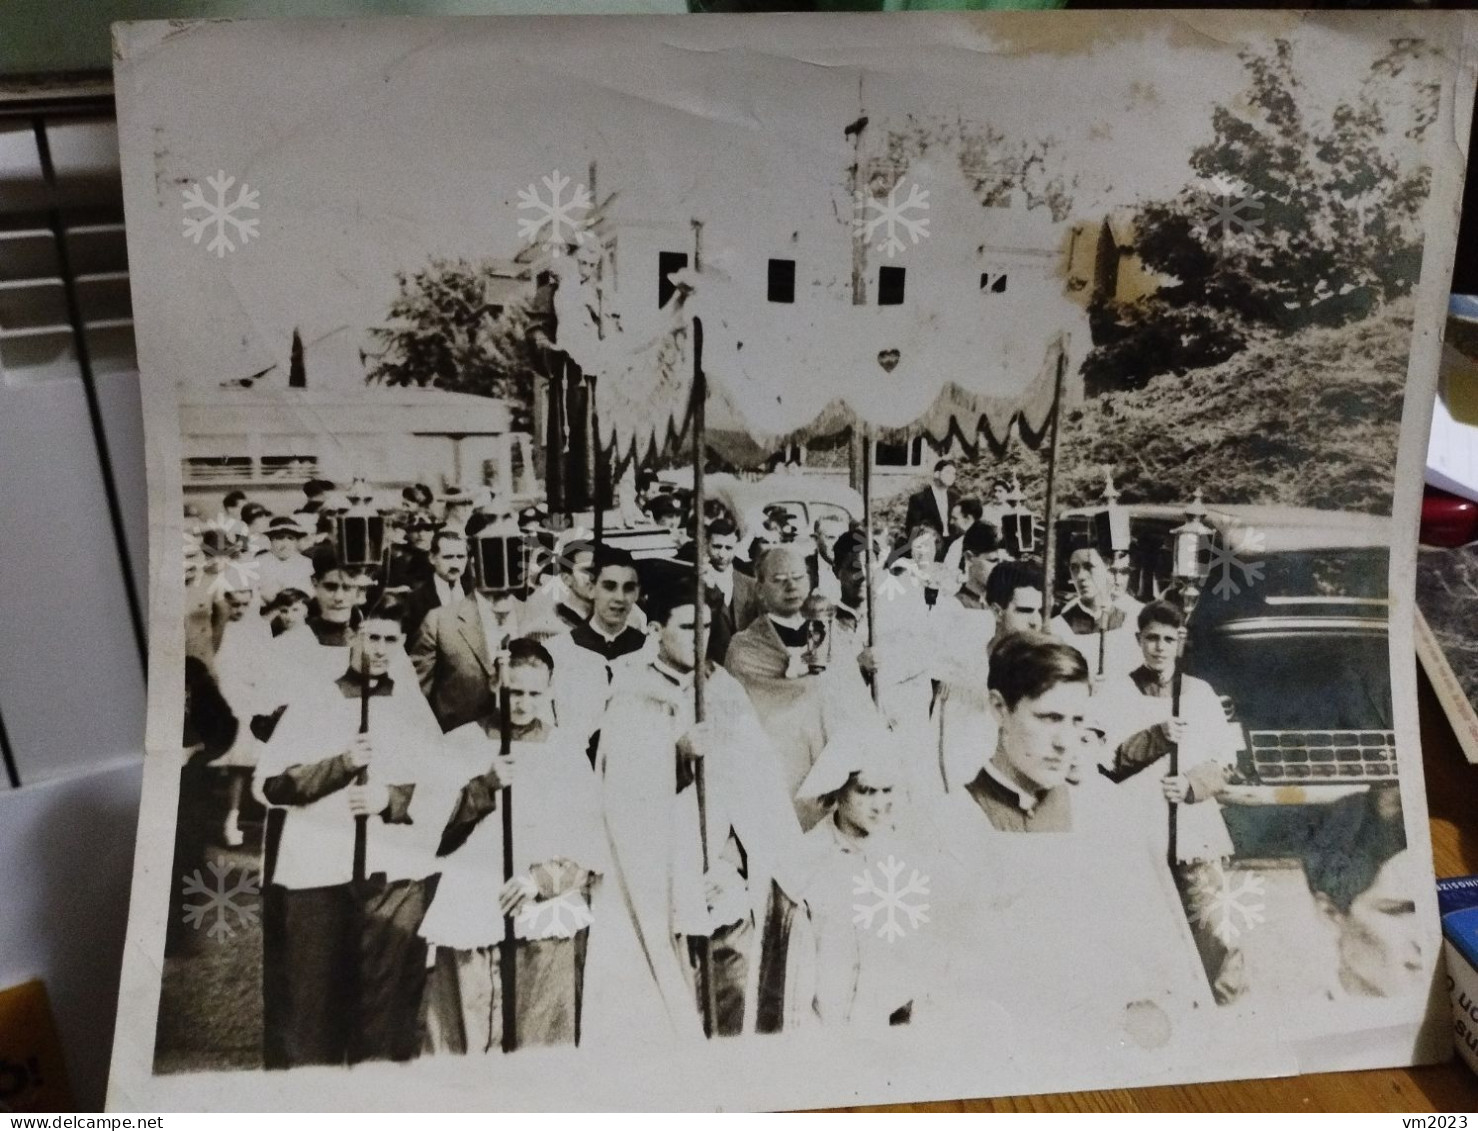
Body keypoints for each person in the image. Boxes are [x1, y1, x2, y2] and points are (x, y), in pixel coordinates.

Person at [585, 579, 805, 1042]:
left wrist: (730, 855)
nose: (698, 637)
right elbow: (621, 793)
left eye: (706, 626)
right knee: (672, 989)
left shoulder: (723, 689)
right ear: (657, 629)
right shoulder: (632, 687)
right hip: (659, 866)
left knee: (732, 978)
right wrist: (675, 754)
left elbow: (757, 784)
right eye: (687, 626)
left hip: (720, 863)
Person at [254, 596, 444, 1067]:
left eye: (391, 640)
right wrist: (341, 765)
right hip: (318, 872)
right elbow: (272, 785)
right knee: (312, 1002)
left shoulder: (411, 706)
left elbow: (441, 788)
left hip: (390, 871)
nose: (380, 649)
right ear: (355, 636)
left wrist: (390, 800)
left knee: (384, 1005)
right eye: (373, 637)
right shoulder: (315, 699)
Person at [419, 638, 605, 1053]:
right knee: (466, 1029)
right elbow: (433, 831)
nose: (522, 703)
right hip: (472, 896)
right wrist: (484, 785)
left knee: (539, 1033)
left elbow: (588, 839)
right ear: (496, 685)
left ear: (550, 691)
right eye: (513, 692)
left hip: (541, 899)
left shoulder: (566, 750)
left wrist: (540, 880)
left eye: (534, 694)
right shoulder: (462, 743)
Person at [1093, 600, 1246, 1004]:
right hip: (1137, 833)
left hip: (1193, 834)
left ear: (1180, 642)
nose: (1159, 648)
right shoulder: (1116, 693)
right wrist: (1156, 736)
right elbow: (1105, 765)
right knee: (1141, 932)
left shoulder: (1200, 693)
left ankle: (1229, 1010)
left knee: (1216, 928)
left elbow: (1226, 761)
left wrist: (1193, 785)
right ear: (1138, 641)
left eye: (1168, 639)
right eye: (1151, 639)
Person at [791, 732, 937, 1030]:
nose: (879, 805)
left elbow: (919, 964)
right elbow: (793, 977)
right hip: (823, 1033)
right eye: (866, 791)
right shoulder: (806, 860)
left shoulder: (906, 859)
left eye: (887, 791)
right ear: (838, 789)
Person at [725, 546, 877, 829]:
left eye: (797, 577)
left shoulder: (833, 637)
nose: (791, 586)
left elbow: (855, 703)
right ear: (759, 588)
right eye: (779, 579)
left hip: (834, 774)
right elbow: (743, 720)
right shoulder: (744, 648)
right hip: (779, 777)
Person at [958, 631, 1090, 833]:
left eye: (1077, 720)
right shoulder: (954, 817)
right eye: (1049, 718)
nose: (1065, 742)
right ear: (1000, 709)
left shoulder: (1090, 810)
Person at [932, 559, 1042, 793]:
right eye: (1024, 611)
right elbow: (947, 750)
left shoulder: (1043, 670)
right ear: (996, 612)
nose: (1035, 621)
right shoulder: (964, 670)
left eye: (1038, 611)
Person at [411, 535, 524, 733]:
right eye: (492, 557)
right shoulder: (439, 621)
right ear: (475, 564)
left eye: (510, 557)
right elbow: (416, 695)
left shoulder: (533, 617)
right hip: (459, 746)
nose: (501, 566)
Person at [545, 544, 652, 749]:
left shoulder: (650, 652)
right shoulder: (558, 652)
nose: (619, 598)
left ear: (637, 592)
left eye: (629, 588)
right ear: (592, 588)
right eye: (609, 586)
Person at [1049, 541, 1140, 683]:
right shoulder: (1058, 628)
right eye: (1074, 568)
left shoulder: (1131, 621)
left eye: (1089, 567)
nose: (1080, 576)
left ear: (1108, 568)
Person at [703, 517, 760, 662]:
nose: (722, 554)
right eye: (716, 547)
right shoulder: (695, 583)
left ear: (736, 547)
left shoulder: (750, 584)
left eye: (728, 548)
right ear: (706, 545)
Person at [403, 528, 471, 641]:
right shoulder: (415, 600)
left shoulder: (476, 593)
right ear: (432, 558)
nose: (455, 564)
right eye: (448, 557)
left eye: (460, 557)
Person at [903, 459, 957, 558]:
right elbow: (912, 528)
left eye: (954, 473)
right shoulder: (919, 498)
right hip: (929, 549)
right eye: (948, 472)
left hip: (953, 548)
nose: (952, 476)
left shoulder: (955, 498)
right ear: (936, 474)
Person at [257, 516, 314, 602]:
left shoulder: (306, 563)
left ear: (296, 542)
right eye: (280, 538)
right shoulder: (260, 562)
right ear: (271, 540)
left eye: (290, 539)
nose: (285, 544)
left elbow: (309, 591)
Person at [940, 497, 984, 579]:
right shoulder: (958, 542)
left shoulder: (983, 542)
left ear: (968, 519)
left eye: (955, 518)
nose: (951, 522)